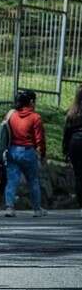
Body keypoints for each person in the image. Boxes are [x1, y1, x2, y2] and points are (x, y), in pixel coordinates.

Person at [4, 89, 47, 218]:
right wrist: (42, 154)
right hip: (28, 152)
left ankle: (9, 208)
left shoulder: (12, 115)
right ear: (31, 102)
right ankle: (37, 209)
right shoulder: (35, 118)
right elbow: (40, 139)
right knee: (33, 180)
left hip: (12, 151)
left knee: (12, 181)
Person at [63, 86, 82, 216]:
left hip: (75, 144)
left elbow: (67, 133)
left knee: (79, 175)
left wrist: (65, 150)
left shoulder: (72, 112)